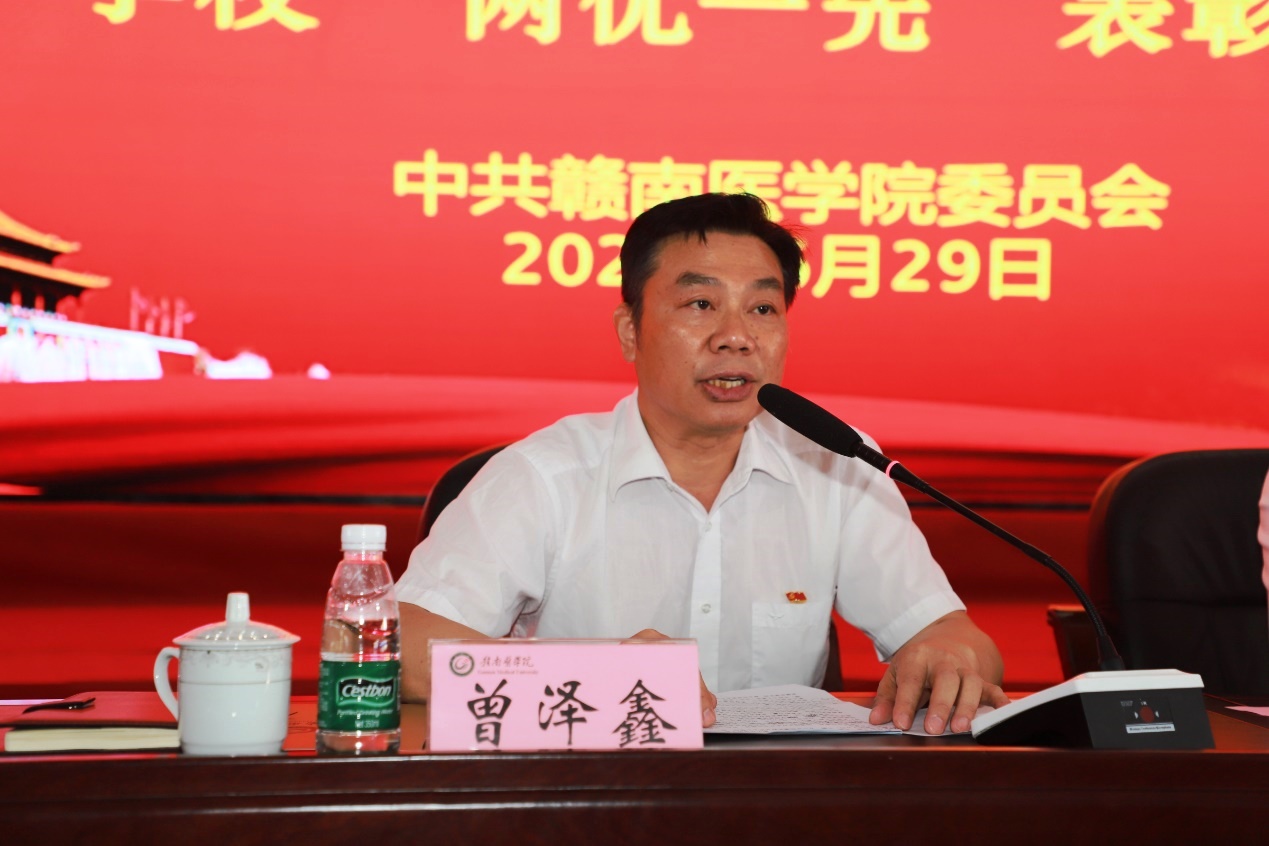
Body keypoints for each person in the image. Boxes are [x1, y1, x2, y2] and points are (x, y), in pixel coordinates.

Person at [396, 193, 1006, 734]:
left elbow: (953, 637)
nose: (736, 336)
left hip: (775, 801)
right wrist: (589, 675)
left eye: (762, 309)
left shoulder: (838, 466)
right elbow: (398, 643)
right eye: (700, 303)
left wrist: (950, 658)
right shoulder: (543, 477)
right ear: (630, 331)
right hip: (586, 795)